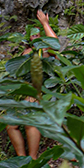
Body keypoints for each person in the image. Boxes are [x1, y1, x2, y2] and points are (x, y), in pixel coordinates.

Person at [6, 10, 57, 160]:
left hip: (43, 91)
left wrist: (45, 23)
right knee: (11, 125)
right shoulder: (27, 52)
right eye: (32, 33)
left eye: (38, 33)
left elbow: (55, 43)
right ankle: (21, 157)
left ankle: (32, 157)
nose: (35, 35)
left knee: (30, 122)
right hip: (27, 92)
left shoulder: (46, 50)